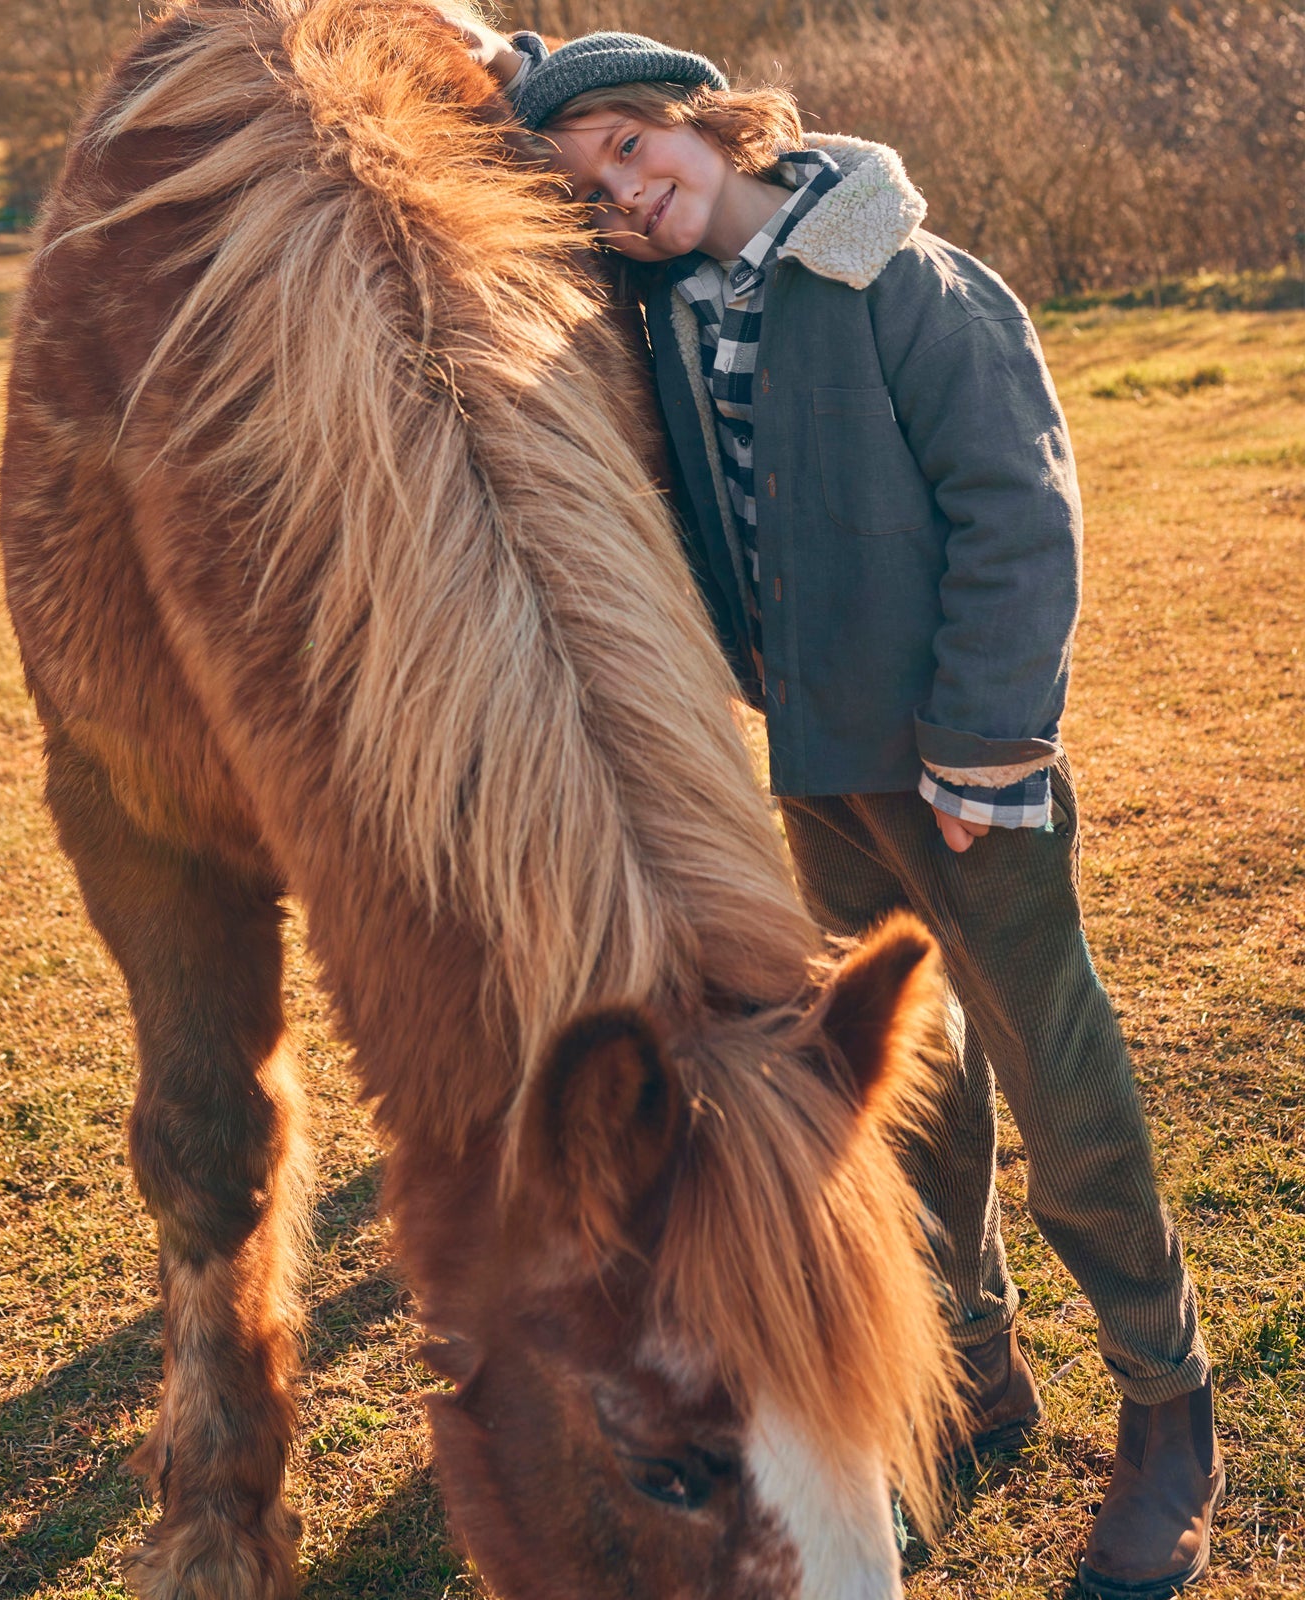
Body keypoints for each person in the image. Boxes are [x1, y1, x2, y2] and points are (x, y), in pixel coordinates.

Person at [453, 19, 1222, 1598]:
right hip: (818, 771)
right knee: (897, 1090)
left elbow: (1019, 509)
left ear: (705, 118)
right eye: (588, 188)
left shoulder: (905, 280)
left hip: (962, 780)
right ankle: (973, 1368)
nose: (623, 195)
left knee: (1057, 1083)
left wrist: (987, 745)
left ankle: (1168, 1407)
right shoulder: (671, 315)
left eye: (629, 148)